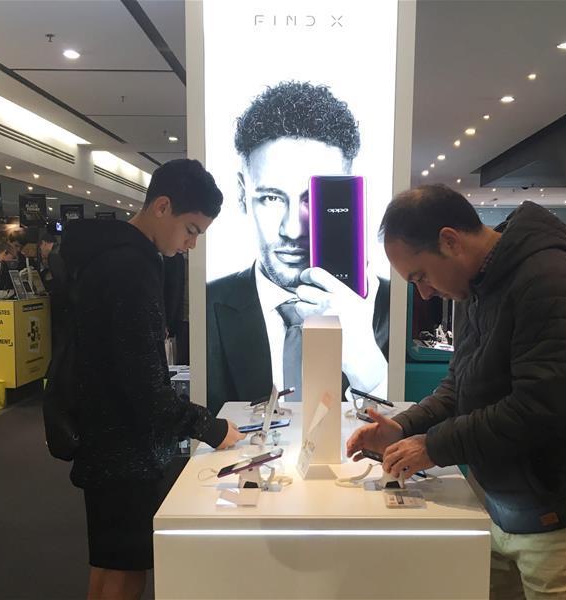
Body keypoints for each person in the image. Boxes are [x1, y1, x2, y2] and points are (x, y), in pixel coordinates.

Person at [347, 185, 566, 599]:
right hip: (501, 509)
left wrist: (434, 446)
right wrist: (402, 428)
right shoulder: (476, 289)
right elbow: (459, 385)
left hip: (563, 523)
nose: (424, 292)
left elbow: (536, 410)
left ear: (450, 241)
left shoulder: (550, 281)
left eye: (421, 276)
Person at [60, 159, 245, 600]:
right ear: (162, 207)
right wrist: (211, 427)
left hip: (105, 436)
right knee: (126, 569)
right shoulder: (130, 267)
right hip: (124, 447)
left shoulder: (109, 257)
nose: (191, 244)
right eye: (191, 230)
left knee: (111, 561)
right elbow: (144, 383)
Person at [207, 80, 390, 413]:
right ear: (242, 194)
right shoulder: (209, 305)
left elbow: (403, 429)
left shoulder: (388, 306)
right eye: (272, 198)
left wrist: (367, 366)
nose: (292, 229)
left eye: (313, 199)